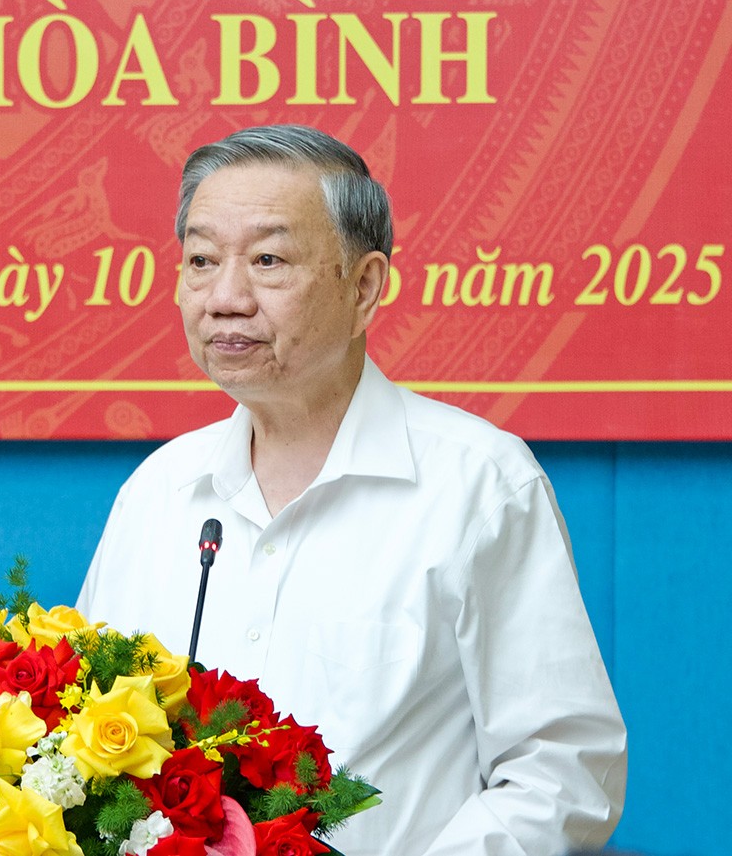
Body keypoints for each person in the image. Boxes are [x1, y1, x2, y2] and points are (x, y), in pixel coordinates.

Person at [76, 124, 627, 856]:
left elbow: (563, 770)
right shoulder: (158, 492)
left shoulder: (478, 484)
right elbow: (81, 747)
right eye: (202, 260)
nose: (226, 297)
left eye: (268, 260)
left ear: (364, 286)